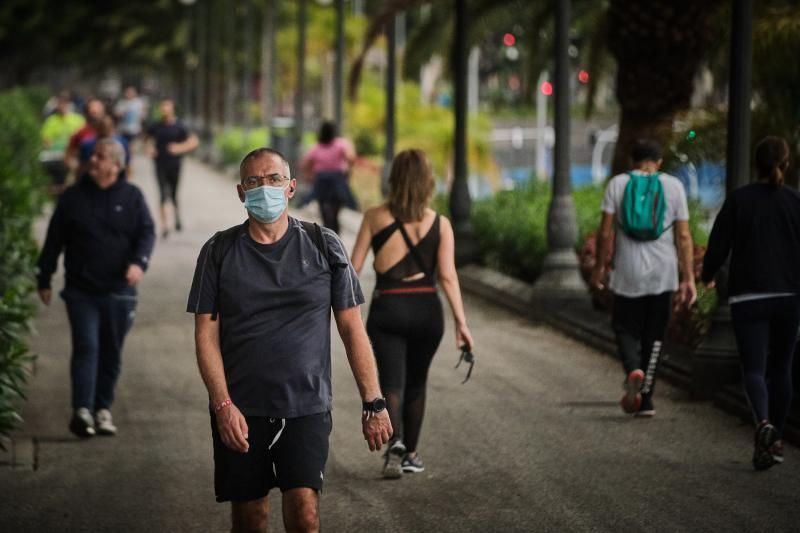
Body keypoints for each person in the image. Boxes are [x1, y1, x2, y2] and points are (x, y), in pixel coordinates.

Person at [187, 147, 392, 532]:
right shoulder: (218, 251)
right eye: (254, 181)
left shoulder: (323, 244)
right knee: (251, 519)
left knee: (305, 515)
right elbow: (205, 336)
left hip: (307, 405)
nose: (265, 188)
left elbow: (351, 328)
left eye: (274, 179)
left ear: (292, 187)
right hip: (242, 408)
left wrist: (374, 401)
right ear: (240, 192)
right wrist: (223, 405)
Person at [350, 148, 474, 478]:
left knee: (392, 383)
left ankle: (394, 448)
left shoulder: (375, 217)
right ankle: (412, 455)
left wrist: (345, 314)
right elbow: (448, 276)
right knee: (417, 383)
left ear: (394, 180)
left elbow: (354, 269)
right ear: (427, 182)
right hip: (427, 312)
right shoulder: (441, 224)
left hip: (388, 308)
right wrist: (462, 324)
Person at [37, 138, 156, 438]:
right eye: (93, 155)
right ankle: (82, 410)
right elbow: (54, 239)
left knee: (110, 351)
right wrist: (45, 276)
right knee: (87, 346)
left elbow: (147, 233)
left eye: (100, 157)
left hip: (119, 291)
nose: (93, 160)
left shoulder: (132, 197)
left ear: (116, 165)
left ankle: (102, 409)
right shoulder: (72, 198)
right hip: (81, 290)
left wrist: (138, 263)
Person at [701, 136, 800, 470]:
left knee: (754, 369)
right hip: (789, 297)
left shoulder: (739, 200)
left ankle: (763, 425)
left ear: (756, 165)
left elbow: (717, 246)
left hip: (748, 297)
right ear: (785, 164)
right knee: (782, 367)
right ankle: (776, 439)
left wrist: (708, 275)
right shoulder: (795, 202)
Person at [590, 139, 696, 418]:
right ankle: (646, 400)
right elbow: (683, 236)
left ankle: (632, 367)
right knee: (655, 336)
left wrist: (600, 268)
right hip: (663, 276)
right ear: (659, 162)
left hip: (627, 273)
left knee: (624, 327)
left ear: (632, 161)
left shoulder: (618, 184)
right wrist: (689, 279)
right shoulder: (673, 186)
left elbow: (604, 234)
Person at [146, 98, 199, 238]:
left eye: (167, 106)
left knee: (174, 194)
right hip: (160, 164)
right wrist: (149, 148)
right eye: (162, 106)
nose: (164, 109)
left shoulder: (180, 126)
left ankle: (177, 217)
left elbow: (194, 141)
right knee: (163, 194)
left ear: (172, 108)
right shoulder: (156, 126)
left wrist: (180, 148)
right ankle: (165, 226)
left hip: (175, 164)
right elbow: (146, 138)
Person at [299, 121, 357, 234]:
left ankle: (327, 232)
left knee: (324, 210)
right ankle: (334, 232)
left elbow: (305, 164)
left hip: (321, 181)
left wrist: (309, 176)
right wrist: (348, 170)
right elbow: (351, 158)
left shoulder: (316, 148)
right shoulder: (340, 144)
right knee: (336, 208)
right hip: (337, 180)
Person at [40, 92, 85, 193]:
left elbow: (84, 138)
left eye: (65, 103)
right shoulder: (51, 121)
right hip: (56, 153)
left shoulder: (78, 120)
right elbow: (46, 139)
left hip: (73, 153)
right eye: (60, 103)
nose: (62, 106)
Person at [64, 97, 106, 172]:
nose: (95, 111)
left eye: (98, 108)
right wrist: (79, 169)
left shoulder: (110, 132)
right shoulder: (80, 133)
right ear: (87, 112)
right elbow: (68, 157)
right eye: (92, 108)